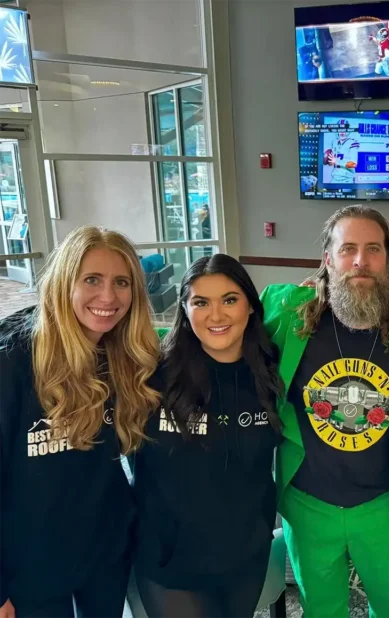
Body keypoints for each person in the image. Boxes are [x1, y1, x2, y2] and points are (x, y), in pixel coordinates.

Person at [260, 205, 389, 618]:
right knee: (321, 609)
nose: (360, 260)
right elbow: (213, 327)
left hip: (382, 502)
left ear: (388, 259)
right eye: (348, 249)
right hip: (308, 503)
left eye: (373, 249)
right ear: (328, 259)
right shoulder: (285, 312)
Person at [0, 226, 160, 618]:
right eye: (91, 279)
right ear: (62, 282)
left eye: (121, 282)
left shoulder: (123, 356)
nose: (108, 297)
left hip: (103, 553)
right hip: (29, 564)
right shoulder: (13, 360)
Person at [132, 254, 283, 618]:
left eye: (229, 300)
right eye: (201, 302)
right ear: (185, 310)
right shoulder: (149, 374)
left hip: (244, 556)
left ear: (250, 306)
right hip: (169, 561)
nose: (216, 316)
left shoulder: (274, 369)